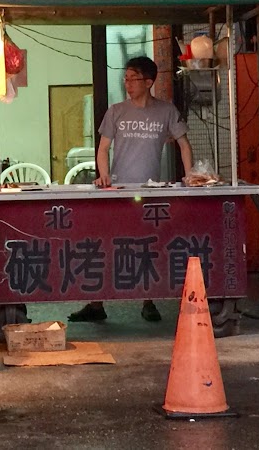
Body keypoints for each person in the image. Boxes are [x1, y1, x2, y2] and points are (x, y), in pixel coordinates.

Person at [69, 56, 193, 323]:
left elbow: (184, 145)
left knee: (146, 246)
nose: (127, 83)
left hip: (150, 192)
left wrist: (192, 177)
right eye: (125, 78)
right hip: (117, 190)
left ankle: (149, 301)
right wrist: (104, 176)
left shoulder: (166, 111)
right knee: (105, 246)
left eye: (133, 78)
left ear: (149, 82)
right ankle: (96, 303)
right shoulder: (116, 111)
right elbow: (102, 149)